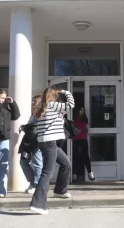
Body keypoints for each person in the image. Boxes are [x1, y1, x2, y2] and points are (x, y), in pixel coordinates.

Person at [30, 87, 74, 215]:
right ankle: (37, 204)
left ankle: (60, 191)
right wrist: (65, 92)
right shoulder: (53, 105)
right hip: (50, 143)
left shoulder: (41, 107)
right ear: (54, 96)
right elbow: (71, 104)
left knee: (66, 164)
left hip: (45, 142)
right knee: (47, 173)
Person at [19, 95, 43, 194]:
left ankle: (36, 185)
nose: (32, 103)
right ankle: (32, 182)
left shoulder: (42, 114)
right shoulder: (33, 114)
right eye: (32, 101)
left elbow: (39, 129)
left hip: (37, 142)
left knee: (37, 163)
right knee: (23, 162)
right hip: (28, 142)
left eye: (34, 101)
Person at [72, 107, 95, 182]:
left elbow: (82, 128)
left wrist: (77, 129)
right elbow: (75, 128)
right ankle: (75, 174)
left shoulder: (84, 118)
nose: (82, 111)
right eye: (81, 110)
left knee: (85, 156)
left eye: (83, 110)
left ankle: (89, 172)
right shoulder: (74, 118)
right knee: (76, 156)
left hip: (83, 139)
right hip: (76, 139)